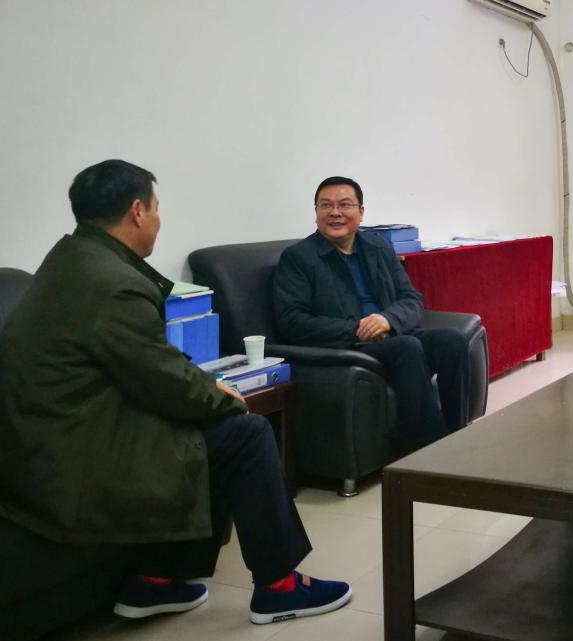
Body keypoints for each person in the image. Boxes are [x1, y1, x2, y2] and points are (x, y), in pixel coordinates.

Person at [0, 160, 351, 626]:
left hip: (50, 439)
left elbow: (141, 364)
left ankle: (157, 580)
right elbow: (162, 377)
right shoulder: (113, 284)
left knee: (208, 427)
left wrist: (203, 389)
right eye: (157, 208)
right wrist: (223, 395)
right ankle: (279, 588)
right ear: (137, 211)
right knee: (243, 433)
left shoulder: (70, 259)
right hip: (71, 459)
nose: (158, 219)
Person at [273, 176, 468, 448]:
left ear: (361, 212)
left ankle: (459, 436)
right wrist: (357, 328)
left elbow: (411, 298)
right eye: (326, 205)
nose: (335, 212)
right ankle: (429, 451)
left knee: (452, 340)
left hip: (391, 333)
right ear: (316, 213)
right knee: (407, 346)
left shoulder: (377, 247)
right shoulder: (298, 258)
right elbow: (291, 321)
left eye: (345, 204)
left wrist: (387, 319)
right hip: (348, 345)